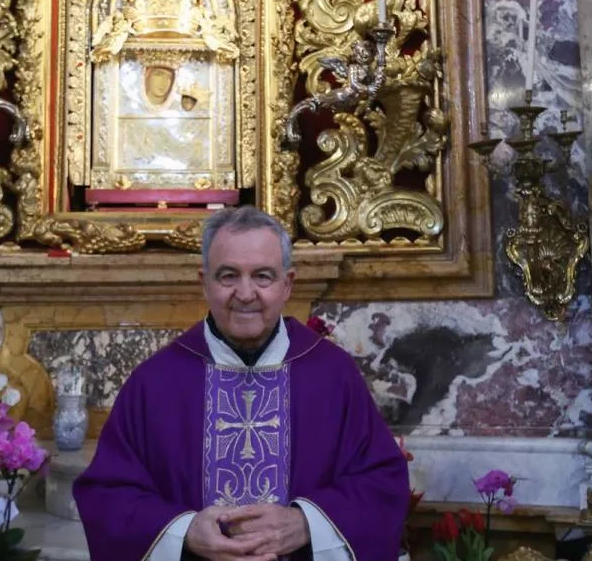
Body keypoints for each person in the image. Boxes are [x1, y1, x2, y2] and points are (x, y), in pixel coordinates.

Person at [72, 205, 411, 560]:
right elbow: (108, 496)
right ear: (204, 283)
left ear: (287, 285)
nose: (246, 294)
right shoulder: (155, 383)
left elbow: (381, 484)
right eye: (228, 276)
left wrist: (306, 523)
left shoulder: (332, 375)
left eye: (262, 276)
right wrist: (184, 531)